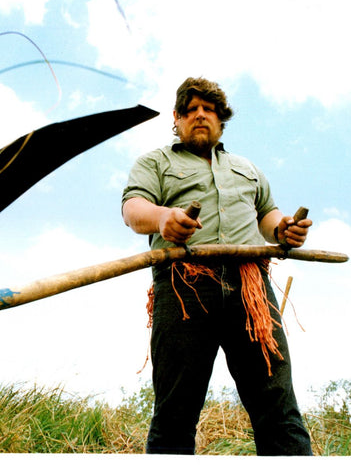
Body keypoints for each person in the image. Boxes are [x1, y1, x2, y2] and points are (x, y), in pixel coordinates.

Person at [121, 77, 313, 455]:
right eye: (190, 110)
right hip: (185, 286)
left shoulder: (247, 168)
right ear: (176, 119)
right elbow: (133, 209)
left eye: (208, 110)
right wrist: (163, 219)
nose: (199, 116)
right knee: (176, 409)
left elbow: (268, 215)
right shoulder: (156, 162)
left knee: (277, 404)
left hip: (251, 288)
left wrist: (284, 230)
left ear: (221, 120)